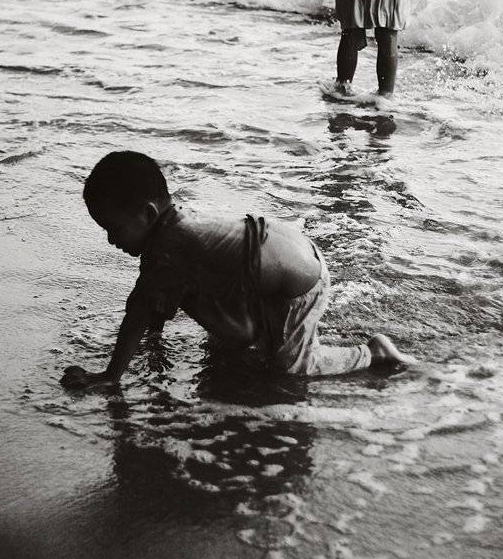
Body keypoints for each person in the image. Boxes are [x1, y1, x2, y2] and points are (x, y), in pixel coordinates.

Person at [61, 152, 415, 389]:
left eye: (115, 229)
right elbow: (151, 299)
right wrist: (154, 336)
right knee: (224, 340)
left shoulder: (170, 246)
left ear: (149, 215)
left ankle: (373, 353)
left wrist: (109, 376)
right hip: (267, 267)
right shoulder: (174, 230)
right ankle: (258, 329)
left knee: (291, 368)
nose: (110, 240)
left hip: (299, 282)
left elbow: (138, 310)